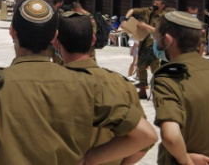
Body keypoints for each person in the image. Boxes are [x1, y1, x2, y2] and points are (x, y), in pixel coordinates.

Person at [0, 0, 157, 164]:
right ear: (54, 36)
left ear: (12, 32)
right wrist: (90, 159)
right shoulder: (85, 84)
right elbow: (146, 136)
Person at [57, 12, 150, 164]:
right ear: (93, 40)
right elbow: (144, 142)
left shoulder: (51, 85)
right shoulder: (122, 84)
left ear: (56, 43)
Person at [153, 11, 209, 164]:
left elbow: (171, 136)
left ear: (167, 39)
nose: (155, 41)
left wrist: (186, 160)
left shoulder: (168, 79)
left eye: (156, 37)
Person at [125, 0, 166, 99]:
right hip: (143, 45)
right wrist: (126, 19)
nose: (155, 5)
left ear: (162, 6)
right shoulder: (148, 11)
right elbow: (132, 10)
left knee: (155, 69)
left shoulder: (163, 17)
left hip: (155, 47)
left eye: (157, 4)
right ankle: (142, 91)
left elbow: (160, 32)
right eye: (154, 3)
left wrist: (145, 26)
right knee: (141, 68)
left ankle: (157, 91)